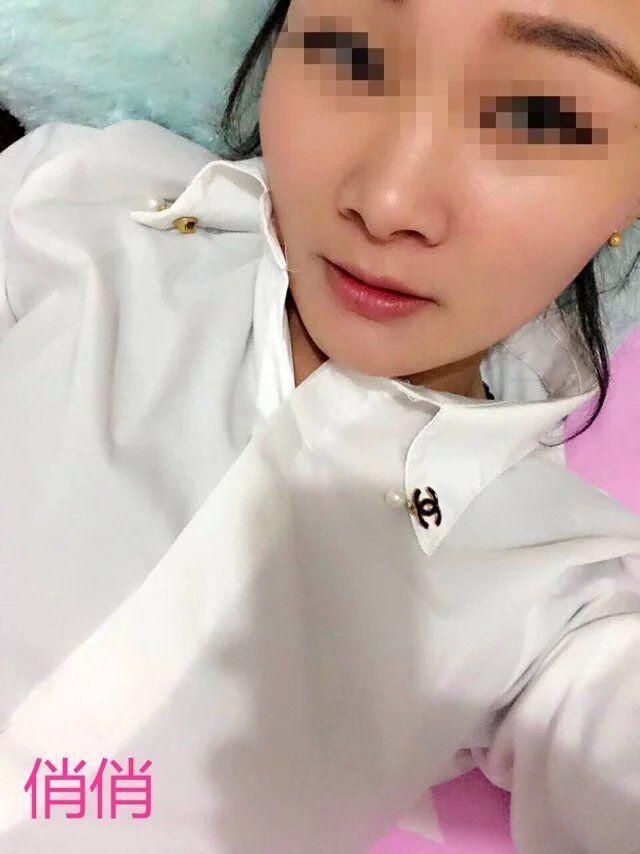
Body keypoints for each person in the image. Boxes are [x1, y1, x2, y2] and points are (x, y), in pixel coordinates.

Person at [1, 1, 640, 852]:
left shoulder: (567, 595)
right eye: (351, 53)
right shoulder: (69, 205)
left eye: (538, 116)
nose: (387, 201)